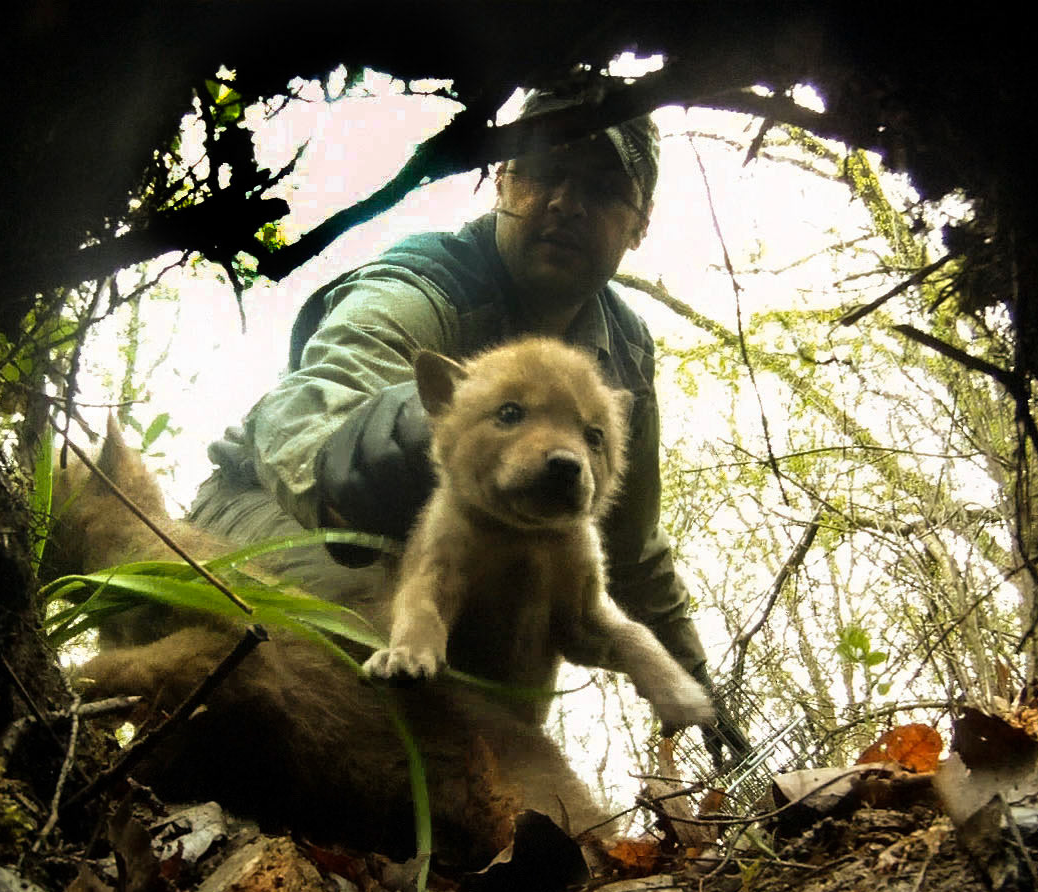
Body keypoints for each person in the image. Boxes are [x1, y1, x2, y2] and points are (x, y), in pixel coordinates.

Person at [193, 77, 751, 763]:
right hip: (278, 514)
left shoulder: (622, 357)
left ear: (639, 225)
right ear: (503, 179)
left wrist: (695, 680)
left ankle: (479, 815)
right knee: (393, 604)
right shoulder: (429, 282)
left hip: (465, 544)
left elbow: (629, 544)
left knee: (541, 570)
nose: (567, 204)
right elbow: (326, 385)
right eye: (546, 172)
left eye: (604, 189)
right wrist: (359, 443)